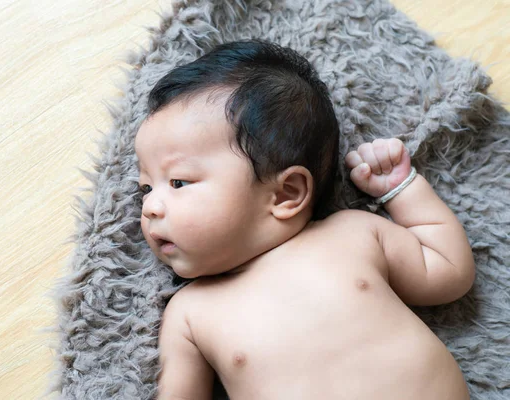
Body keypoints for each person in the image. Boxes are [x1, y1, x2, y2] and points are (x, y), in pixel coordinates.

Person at [134, 39, 475, 399]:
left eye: (178, 182)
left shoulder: (352, 234)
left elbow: (449, 271)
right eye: (145, 189)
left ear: (286, 194)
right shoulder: (190, 314)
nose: (150, 207)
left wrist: (402, 188)